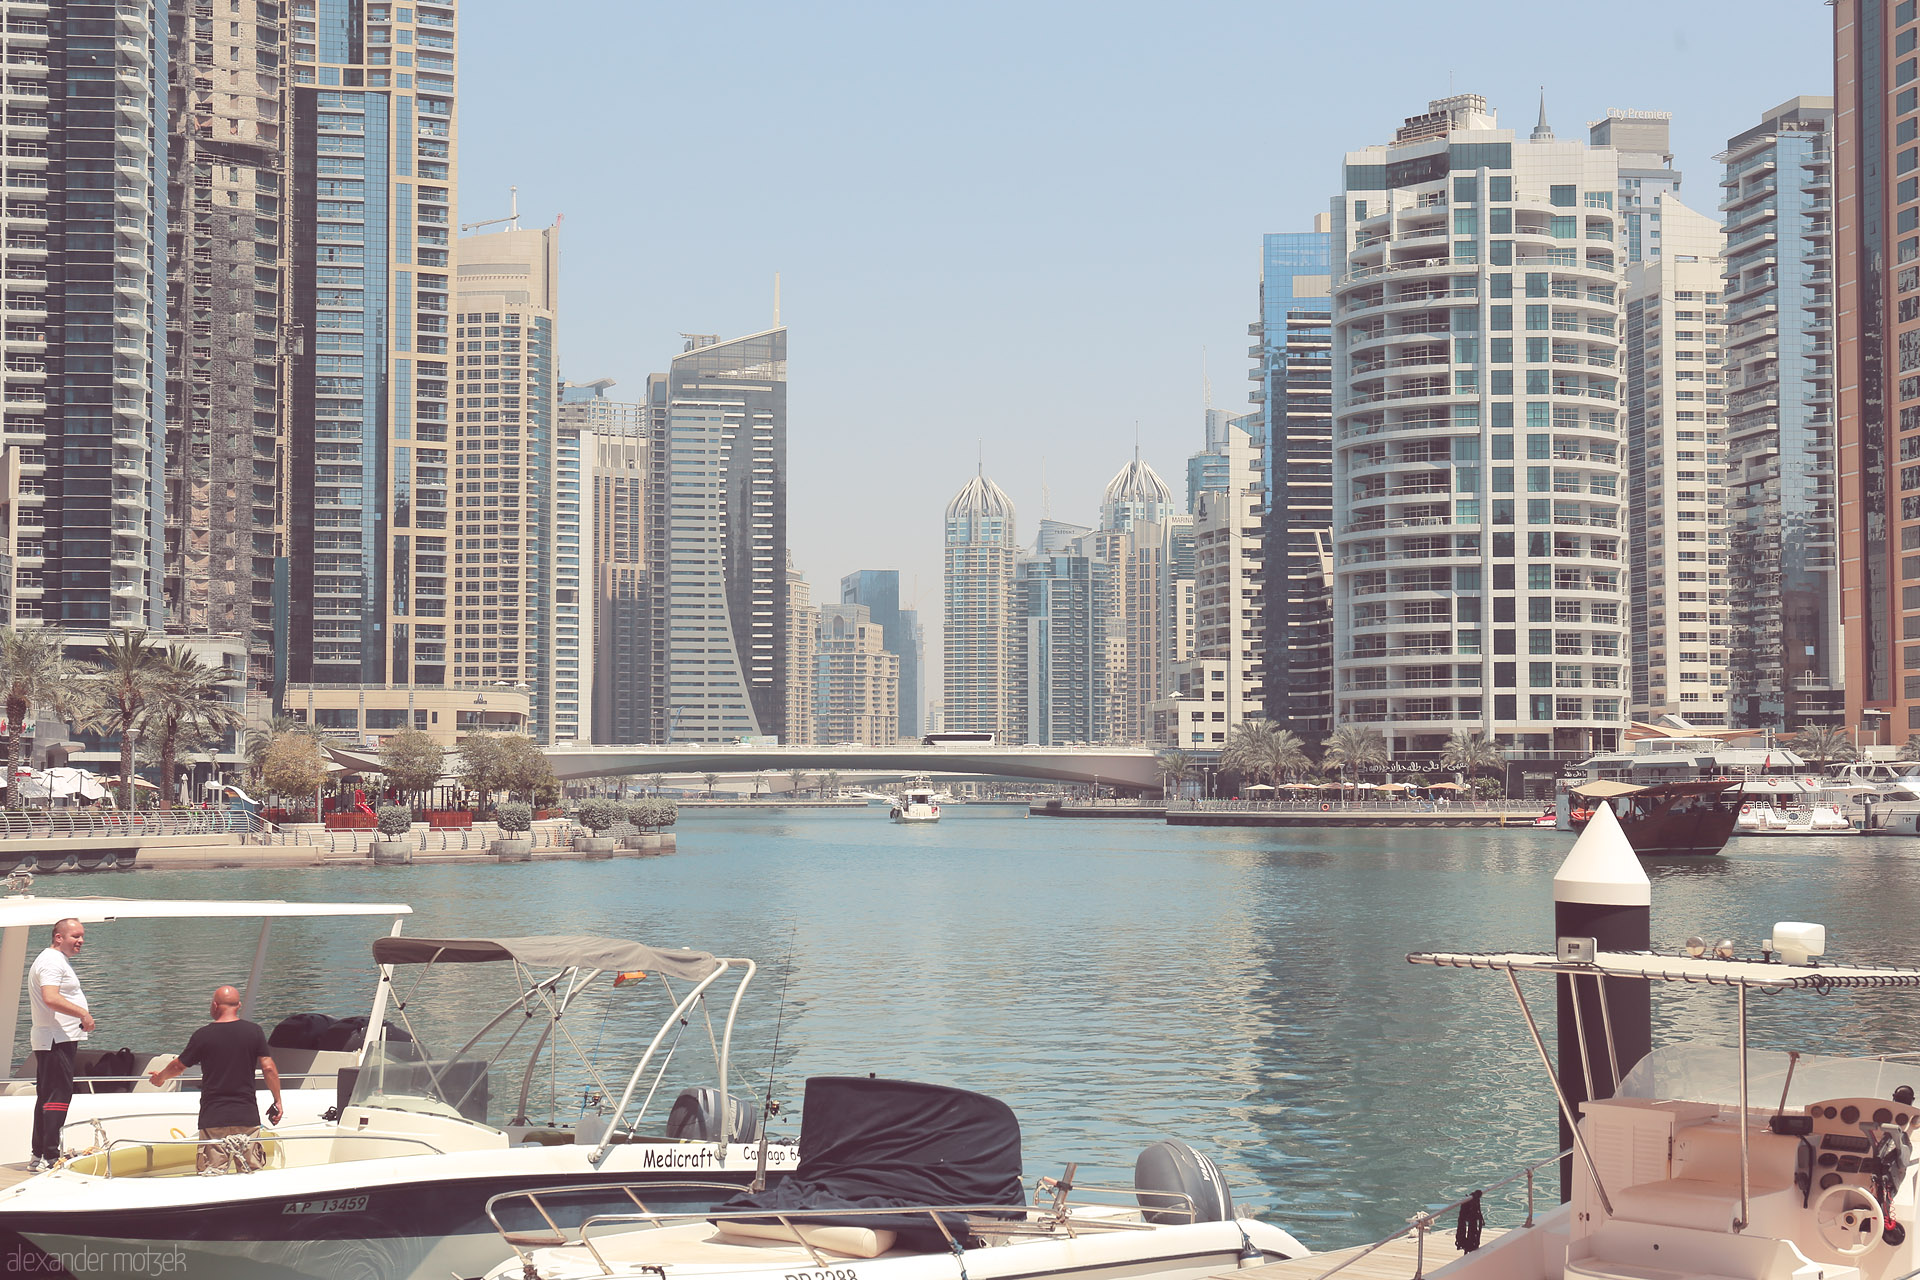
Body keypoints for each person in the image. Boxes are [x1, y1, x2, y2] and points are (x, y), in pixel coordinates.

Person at [148, 985, 283, 1173]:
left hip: (214, 1118)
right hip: (246, 1116)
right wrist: (277, 1100)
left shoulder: (203, 1035)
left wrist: (160, 1078)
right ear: (239, 1006)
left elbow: (179, 1066)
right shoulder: (254, 1032)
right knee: (251, 1175)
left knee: (212, 1176)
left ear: (215, 1005)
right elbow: (268, 1068)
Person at [27, 918, 92, 1171]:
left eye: (82, 935)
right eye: (75, 936)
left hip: (53, 1038)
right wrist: (83, 1014)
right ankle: (50, 1157)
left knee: (47, 1096)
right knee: (58, 1097)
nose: (81, 940)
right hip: (56, 1038)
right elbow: (50, 998)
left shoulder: (52, 960)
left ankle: (39, 1154)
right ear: (58, 938)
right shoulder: (52, 961)